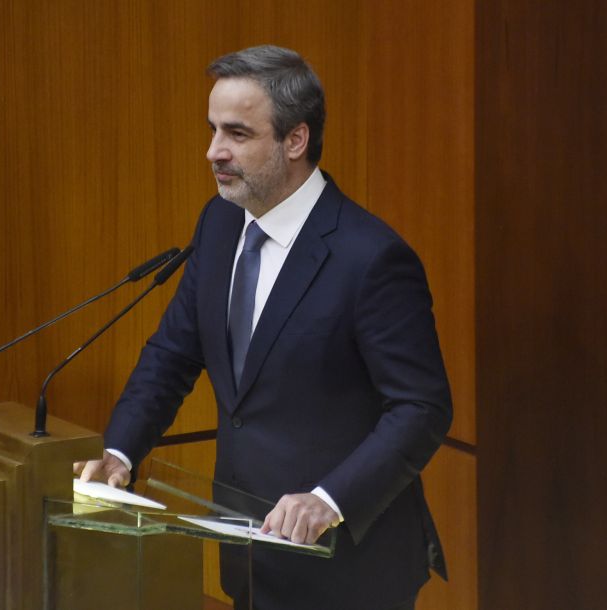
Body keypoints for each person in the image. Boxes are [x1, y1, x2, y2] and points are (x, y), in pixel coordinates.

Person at [76, 45, 452, 610]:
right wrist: (120, 453)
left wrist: (328, 500)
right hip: (248, 551)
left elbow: (422, 407)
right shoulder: (220, 222)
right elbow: (173, 354)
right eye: (212, 130)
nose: (213, 151)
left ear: (295, 140)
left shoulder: (371, 258)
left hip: (347, 568)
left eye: (237, 133)